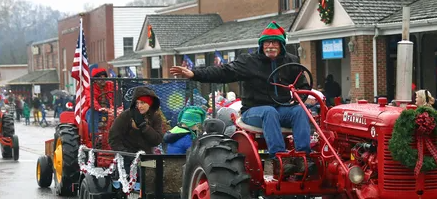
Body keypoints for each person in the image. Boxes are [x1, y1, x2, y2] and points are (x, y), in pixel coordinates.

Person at [169, 21, 313, 178]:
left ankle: (302, 158)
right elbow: (224, 72)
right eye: (266, 42)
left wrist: (300, 99)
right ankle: (279, 160)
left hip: (282, 108)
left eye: (274, 43)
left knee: (299, 111)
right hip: (254, 111)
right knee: (269, 112)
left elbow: (302, 86)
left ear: (282, 45)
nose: (270, 46)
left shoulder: (290, 61)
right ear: (261, 45)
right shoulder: (248, 62)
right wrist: (195, 74)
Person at [109, 87, 164, 156]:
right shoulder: (126, 115)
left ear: (150, 103)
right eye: (137, 103)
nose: (139, 106)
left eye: (143, 103)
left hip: (146, 155)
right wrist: (126, 154)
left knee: (156, 166)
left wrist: (144, 127)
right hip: (128, 156)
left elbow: (157, 140)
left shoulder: (155, 116)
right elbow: (113, 138)